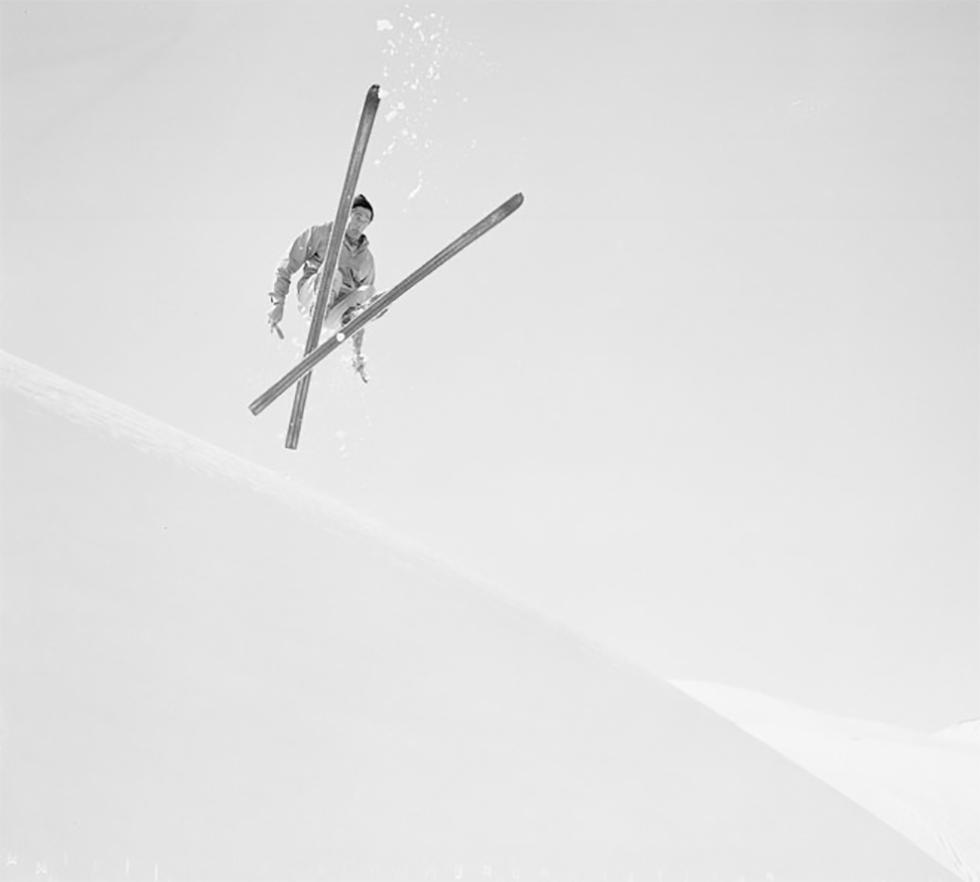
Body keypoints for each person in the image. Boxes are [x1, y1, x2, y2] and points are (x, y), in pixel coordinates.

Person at [267, 194, 377, 382]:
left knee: (369, 292)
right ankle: (321, 305)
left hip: (336, 311)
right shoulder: (321, 234)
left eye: (366, 221)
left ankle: (347, 320)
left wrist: (357, 354)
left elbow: (362, 303)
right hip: (313, 294)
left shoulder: (366, 259)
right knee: (333, 271)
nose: (361, 224)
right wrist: (278, 303)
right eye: (358, 217)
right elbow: (286, 265)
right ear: (347, 214)